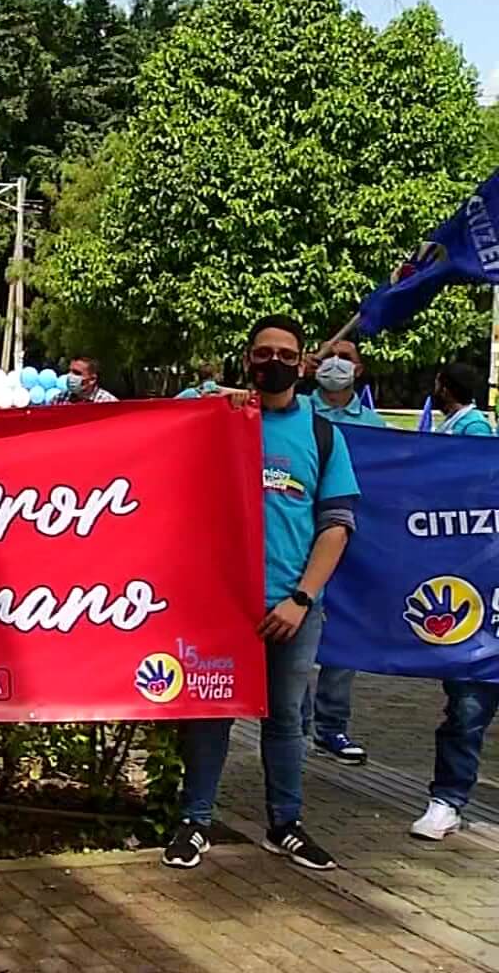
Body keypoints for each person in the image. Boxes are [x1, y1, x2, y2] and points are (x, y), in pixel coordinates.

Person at [163, 315, 356, 873]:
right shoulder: (218, 423)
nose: (273, 362)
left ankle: (286, 824)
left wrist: (301, 598)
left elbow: (337, 524)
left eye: (285, 354)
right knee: (209, 714)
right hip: (220, 604)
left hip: (292, 607)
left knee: (286, 719)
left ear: (303, 364)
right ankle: (195, 820)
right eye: (262, 352)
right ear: (247, 360)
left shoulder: (323, 434)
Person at [409, 360, 499, 841]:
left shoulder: (472, 432)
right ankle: (447, 800)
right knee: (467, 707)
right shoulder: (473, 442)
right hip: (481, 601)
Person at [289, 339, 385, 767]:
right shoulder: (297, 413)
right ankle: (296, 724)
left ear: (359, 369)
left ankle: (331, 727)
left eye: (346, 358)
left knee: (343, 641)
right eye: (329, 355)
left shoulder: (375, 425)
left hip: (350, 546)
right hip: (296, 545)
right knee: (296, 639)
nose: (336, 364)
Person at [432, 362, 495, 436]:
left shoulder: (475, 426)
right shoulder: (454, 420)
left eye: (437, 386)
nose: (434, 392)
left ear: (445, 391)